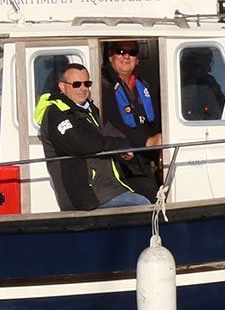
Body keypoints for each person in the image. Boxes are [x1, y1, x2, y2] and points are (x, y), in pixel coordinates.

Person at [35, 62, 150, 210]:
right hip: (87, 196)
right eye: (76, 84)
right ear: (62, 87)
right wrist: (118, 145)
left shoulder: (88, 108)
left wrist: (120, 152)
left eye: (87, 83)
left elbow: (98, 142)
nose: (83, 89)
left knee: (148, 189)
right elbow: (81, 143)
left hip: (107, 188)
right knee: (143, 205)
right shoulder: (56, 114)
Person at [100, 40, 162, 199]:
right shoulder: (102, 87)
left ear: (138, 58)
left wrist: (158, 140)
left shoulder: (143, 85)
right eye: (120, 52)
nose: (126, 56)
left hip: (145, 159)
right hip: (123, 162)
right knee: (148, 191)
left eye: (132, 53)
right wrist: (146, 142)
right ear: (110, 56)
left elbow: (152, 122)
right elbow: (109, 123)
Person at [180, 48, 225, 121]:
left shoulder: (208, 80)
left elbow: (223, 104)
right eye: (207, 58)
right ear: (197, 59)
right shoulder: (185, 82)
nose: (209, 62)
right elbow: (190, 112)